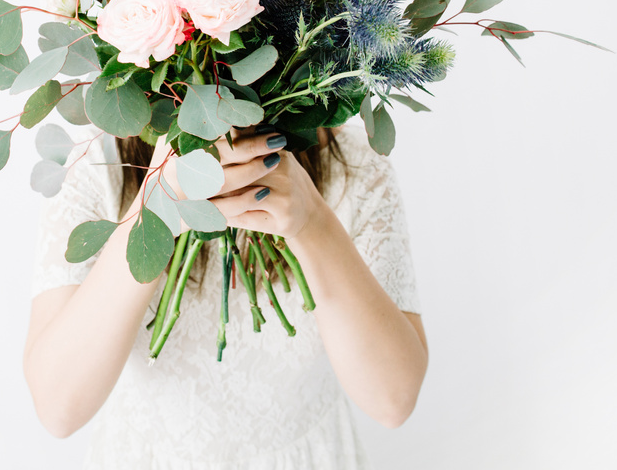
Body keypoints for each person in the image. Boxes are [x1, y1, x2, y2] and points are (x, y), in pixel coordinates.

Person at [23, 124, 429, 469]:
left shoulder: (355, 167)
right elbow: (58, 409)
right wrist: (154, 212)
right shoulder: (96, 167)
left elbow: (392, 401)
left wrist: (314, 223)